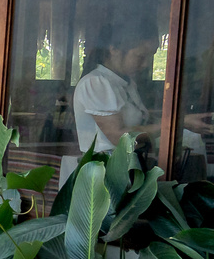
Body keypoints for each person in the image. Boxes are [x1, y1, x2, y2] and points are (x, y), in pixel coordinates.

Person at [73, 23, 209, 164]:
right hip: (104, 170)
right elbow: (118, 136)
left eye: (150, 57)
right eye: (140, 56)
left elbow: (141, 119)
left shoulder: (126, 83)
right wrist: (177, 124)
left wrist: (180, 120)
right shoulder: (96, 82)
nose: (145, 64)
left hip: (129, 166)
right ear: (114, 49)